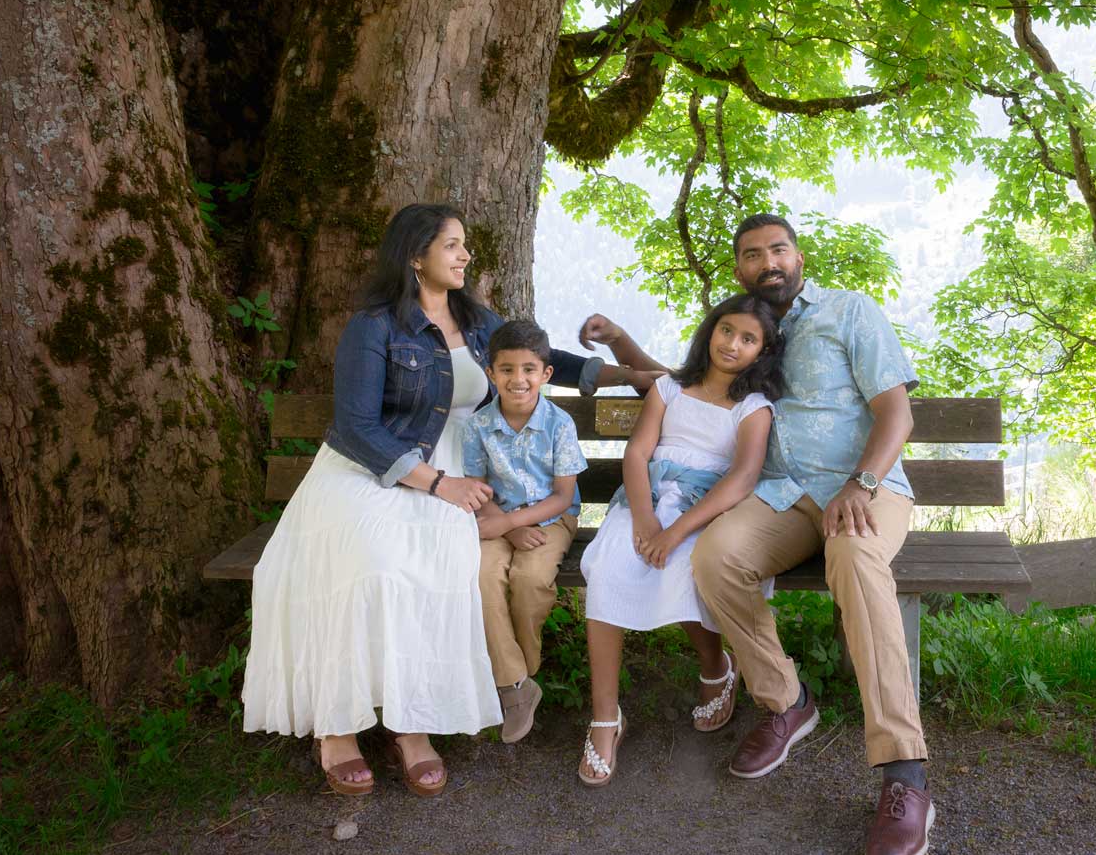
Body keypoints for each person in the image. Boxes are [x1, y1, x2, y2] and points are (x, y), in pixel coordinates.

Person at [244, 203, 649, 797]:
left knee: (441, 565)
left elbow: (546, 362)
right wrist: (436, 483)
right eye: (452, 245)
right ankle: (338, 727)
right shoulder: (374, 325)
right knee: (374, 565)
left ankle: (410, 722)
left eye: (464, 245)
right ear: (415, 255)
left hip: (462, 471)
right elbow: (356, 426)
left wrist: (635, 374)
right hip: (377, 471)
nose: (465, 255)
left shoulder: (477, 320)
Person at [578, 213, 932, 855]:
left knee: (855, 558)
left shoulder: (850, 312)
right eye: (751, 254)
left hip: (863, 487)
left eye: (778, 248)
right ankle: (787, 701)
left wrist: (862, 480)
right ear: (739, 269)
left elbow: (896, 411)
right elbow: (685, 380)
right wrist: (622, 339)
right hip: (782, 497)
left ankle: (904, 773)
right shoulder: (754, 331)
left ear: (799, 255)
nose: (767, 260)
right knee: (717, 559)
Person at [574, 293, 785, 786]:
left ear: (763, 351)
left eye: (748, 339)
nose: (733, 344)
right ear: (710, 331)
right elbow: (638, 452)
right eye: (726, 330)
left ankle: (716, 667)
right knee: (608, 569)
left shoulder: (753, 407)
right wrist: (646, 520)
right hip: (646, 500)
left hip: (704, 510)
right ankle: (606, 717)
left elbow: (742, 477)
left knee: (688, 570)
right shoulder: (669, 387)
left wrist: (675, 531)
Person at [461, 318, 590, 744]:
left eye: (529, 370)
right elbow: (477, 486)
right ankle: (515, 688)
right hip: (496, 518)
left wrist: (514, 524)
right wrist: (508, 528)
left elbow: (562, 496)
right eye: (507, 370)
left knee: (530, 578)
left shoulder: (559, 425)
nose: (518, 380)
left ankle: (522, 671)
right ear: (490, 373)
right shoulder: (479, 426)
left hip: (553, 519)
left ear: (546, 374)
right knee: (482, 577)